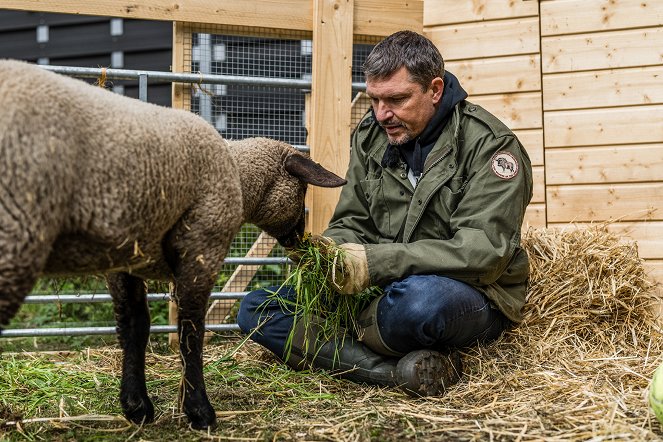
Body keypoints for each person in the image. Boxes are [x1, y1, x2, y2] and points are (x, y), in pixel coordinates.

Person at [237, 30, 533, 396]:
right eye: (374, 99)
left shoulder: (490, 146)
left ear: (435, 90)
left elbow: (483, 252)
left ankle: (350, 339)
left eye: (396, 99)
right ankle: (394, 372)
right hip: (383, 290)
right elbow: (352, 219)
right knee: (257, 309)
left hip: (466, 294)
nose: (381, 114)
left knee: (419, 305)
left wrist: (374, 263)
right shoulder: (372, 134)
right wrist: (332, 257)